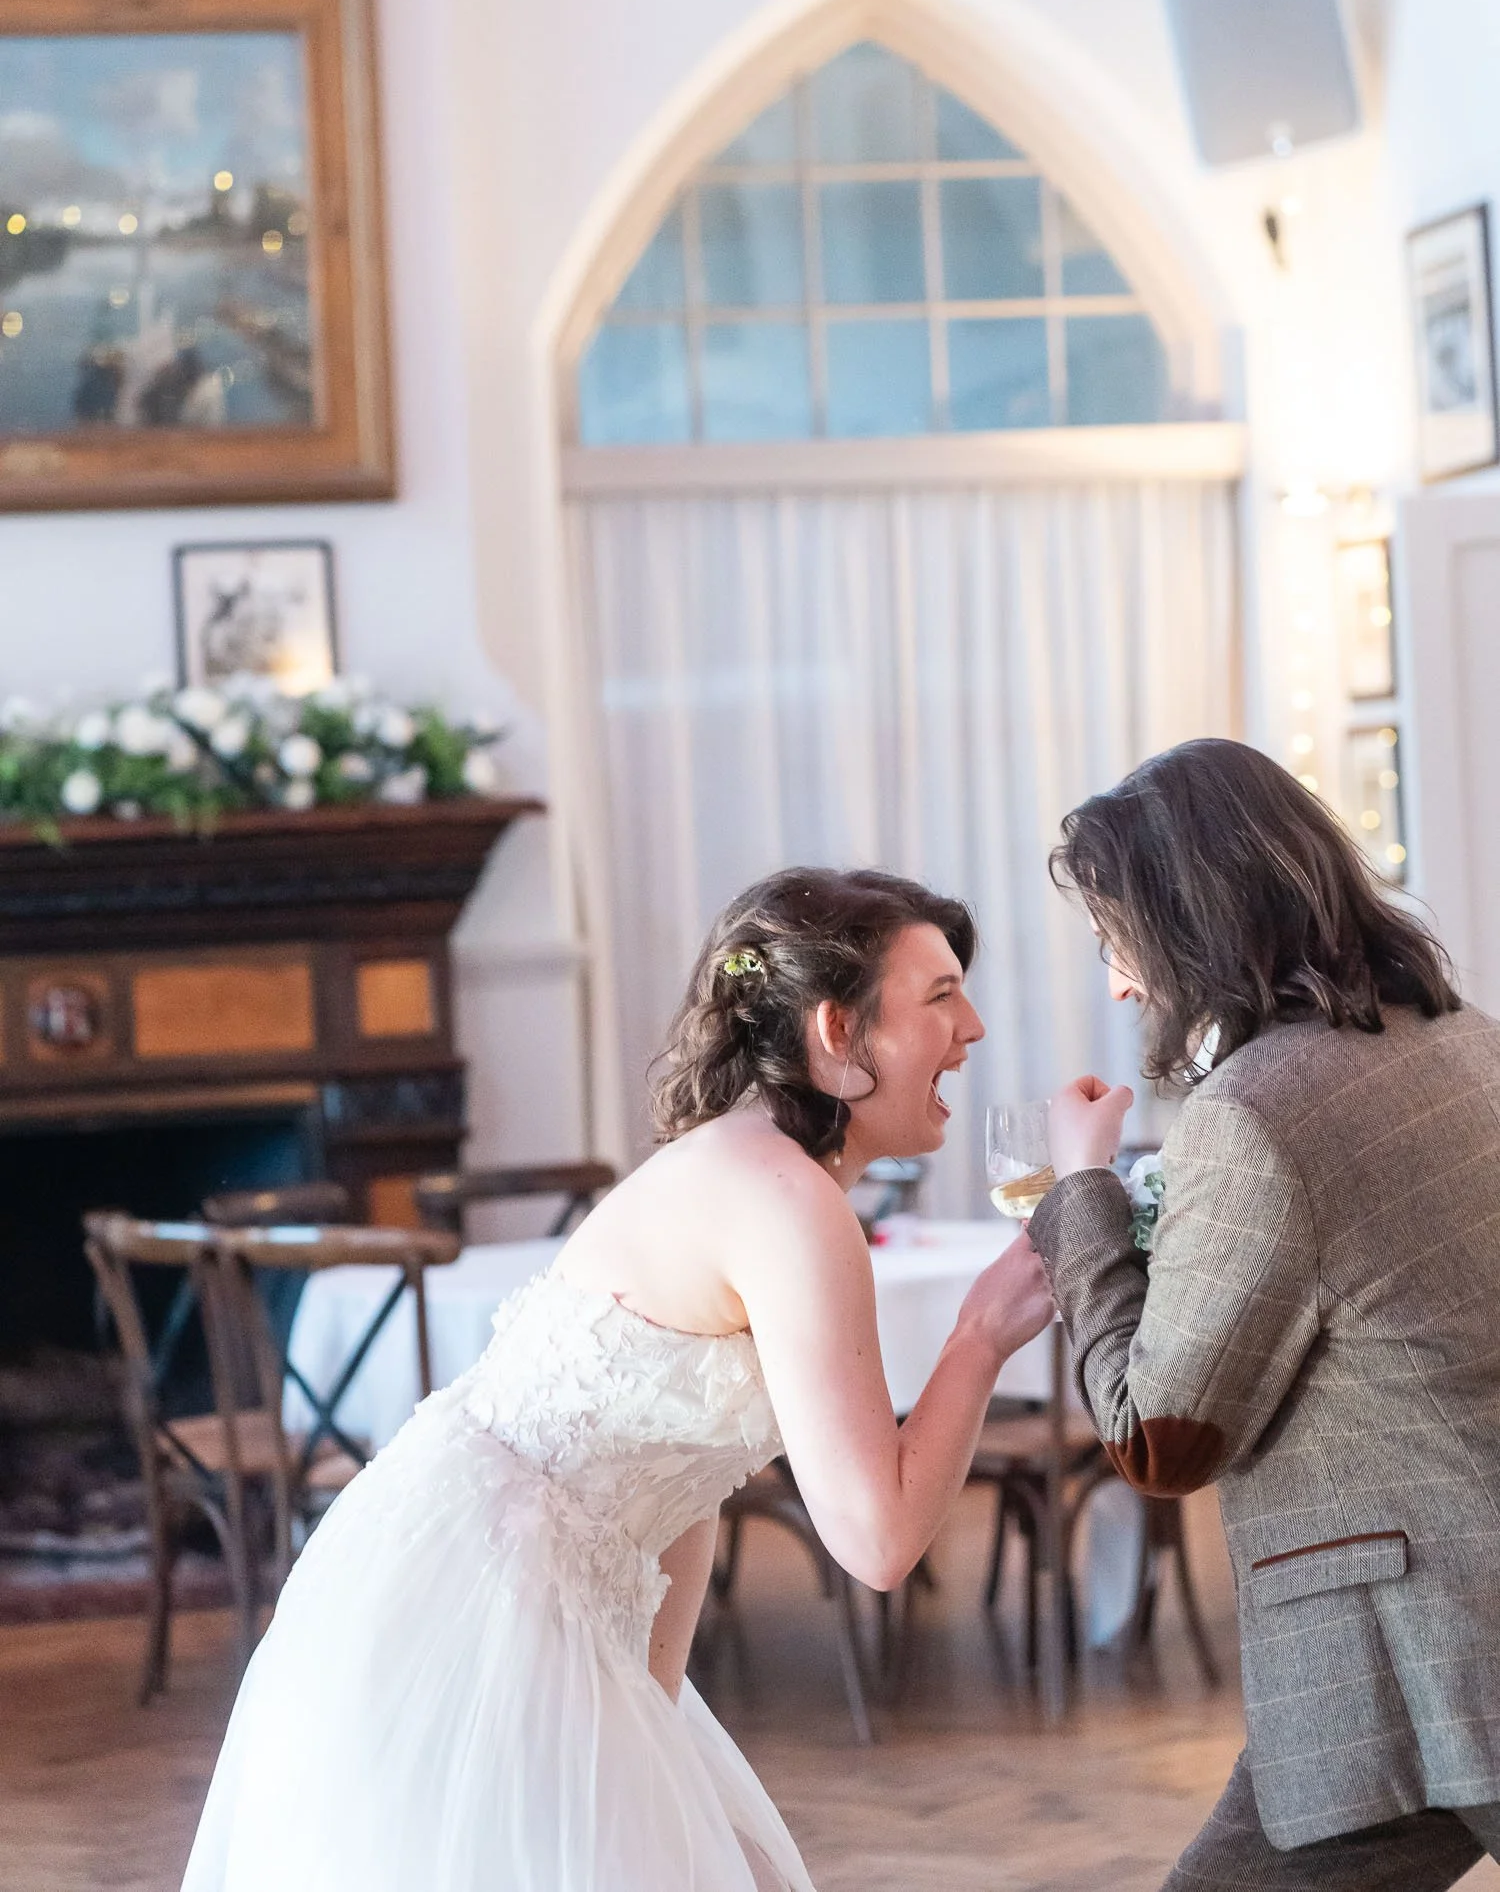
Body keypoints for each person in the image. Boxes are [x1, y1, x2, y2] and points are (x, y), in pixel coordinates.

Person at [181, 866, 1054, 1892]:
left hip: (508, 1595)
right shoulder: (783, 1197)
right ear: (837, 1033)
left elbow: (677, 1476)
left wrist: (650, 1715)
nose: (978, 1027)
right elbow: (879, 1540)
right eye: (941, 997)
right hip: (480, 1620)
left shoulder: (757, 1168)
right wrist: (981, 1337)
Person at [1031, 737, 1500, 1890]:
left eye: (1115, 939)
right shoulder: (1461, 1037)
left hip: (1418, 1653)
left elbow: (1160, 1438)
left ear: (1193, 918)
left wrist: (1079, 1194)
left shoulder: (1256, 1112)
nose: (1118, 983)